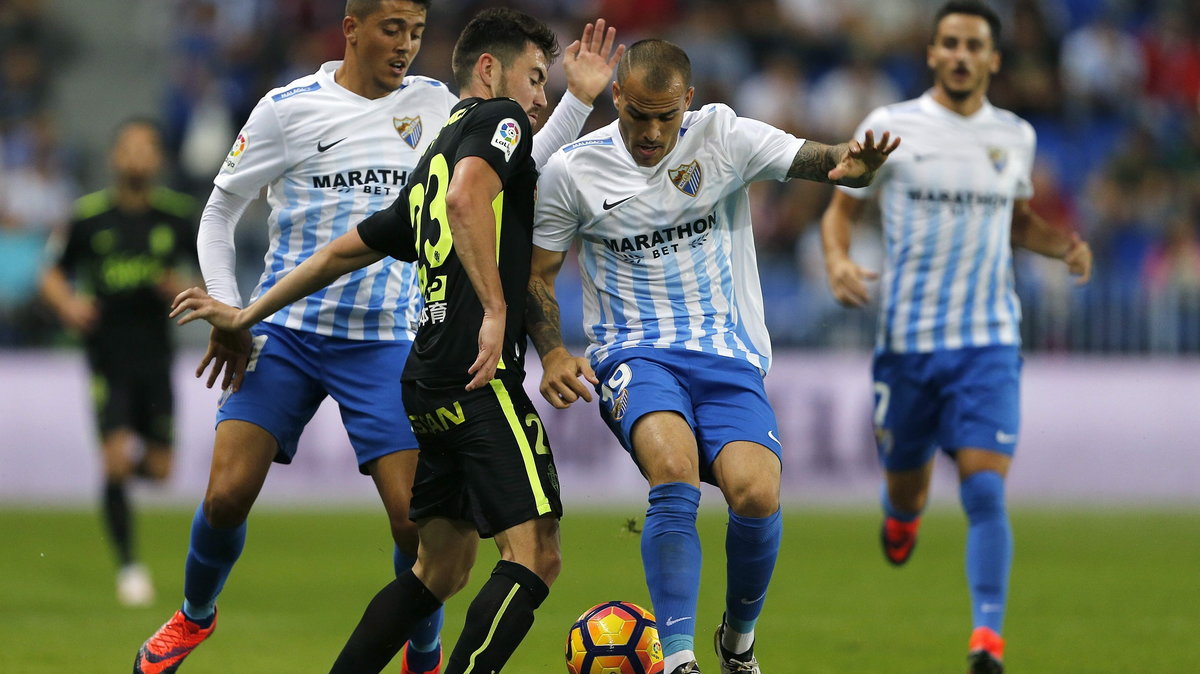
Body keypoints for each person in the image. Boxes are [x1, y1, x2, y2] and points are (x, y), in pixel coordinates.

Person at [132, 1, 621, 672]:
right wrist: (232, 307)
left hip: (390, 338)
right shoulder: (288, 108)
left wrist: (574, 103)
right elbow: (221, 211)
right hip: (294, 333)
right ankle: (193, 616)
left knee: (413, 525)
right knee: (225, 493)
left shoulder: (441, 108)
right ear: (352, 27)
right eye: (394, 29)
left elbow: (510, 161)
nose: (406, 46)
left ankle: (422, 651)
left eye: (418, 33)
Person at [526, 39, 898, 674]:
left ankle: (738, 641)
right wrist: (555, 350)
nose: (649, 131)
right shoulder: (572, 170)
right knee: (671, 469)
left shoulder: (723, 136)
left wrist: (850, 163)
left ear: (687, 104)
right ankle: (678, 659)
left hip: (727, 353)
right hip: (634, 354)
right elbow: (539, 274)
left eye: (664, 116)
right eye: (636, 113)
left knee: (756, 495)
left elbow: (818, 159)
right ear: (616, 96)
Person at [817, 3, 1093, 673]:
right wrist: (838, 260)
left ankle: (987, 641)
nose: (962, 54)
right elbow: (840, 207)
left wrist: (1063, 245)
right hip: (907, 344)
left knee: (985, 490)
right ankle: (900, 514)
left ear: (995, 58)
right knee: (907, 489)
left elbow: (1016, 220)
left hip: (988, 342)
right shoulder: (890, 126)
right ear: (933, 53)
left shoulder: (1016, 136)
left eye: (975, 45)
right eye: (950, 43)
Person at [39, 118, 197, 607]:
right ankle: (130, 567)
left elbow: (211, 276)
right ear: (114, 157)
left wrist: (190, 293)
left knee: (160, 470)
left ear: (158, 160)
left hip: (157, 358)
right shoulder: (88, 218)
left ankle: (115, 486)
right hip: (107, 358)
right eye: (127, 148)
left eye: (146, 149)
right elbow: (52, 274)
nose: (136, 157)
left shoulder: (177, 216)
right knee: (113, 457)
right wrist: (68, 305)